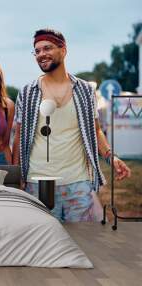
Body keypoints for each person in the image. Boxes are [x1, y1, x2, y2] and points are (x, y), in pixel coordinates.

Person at [12, 28, 131, 222]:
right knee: (47, 241)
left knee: (80, 240)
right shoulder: (28, 92)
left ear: (63, 50)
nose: (41, 54)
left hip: (78, 182)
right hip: (39, 182)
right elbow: (19, 136)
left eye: (47, 48)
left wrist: (112, 157)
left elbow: (96, 130)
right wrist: (18, 174)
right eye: (37, 50)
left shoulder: (84, 90)